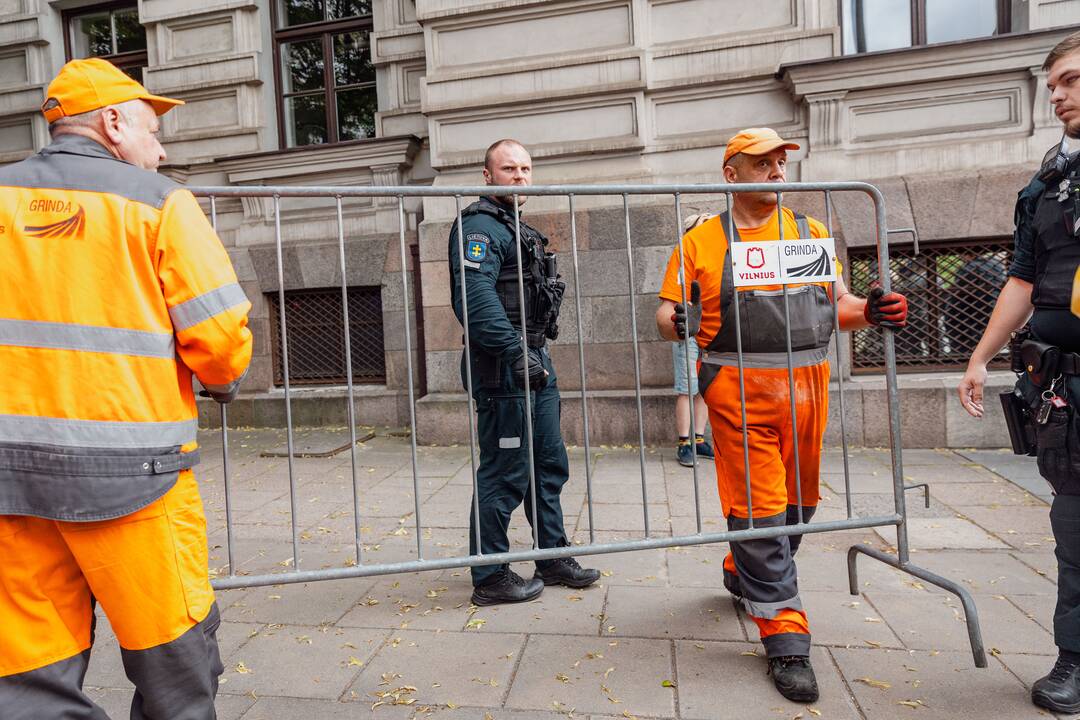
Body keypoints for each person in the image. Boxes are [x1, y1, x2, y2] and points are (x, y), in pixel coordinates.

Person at [0, 58, 252, 719]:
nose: (161, 146)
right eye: (151, 126)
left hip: (11, 482)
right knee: (179, 669)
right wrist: (222, 381)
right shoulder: (158, 204)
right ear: (112, 121)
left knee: (26, 682)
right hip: (136, 482)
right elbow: (221, 339)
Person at [654, 127, 908, 703]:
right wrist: (682, 321)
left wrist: (871, 309)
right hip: (736, 389)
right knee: (760, 511)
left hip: (806, 386)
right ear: (731, 174)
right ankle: (785, 637)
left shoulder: (809, 232)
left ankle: (741, 569)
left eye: (779, 161)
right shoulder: (700, 240)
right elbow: (665, 316)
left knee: (799, 505)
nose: (775, 170)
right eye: (760, 161)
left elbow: (836, 307)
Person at [958, 31, 1080, 715]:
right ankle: (1075, 659)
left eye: (1070, 79)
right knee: (1075, 529)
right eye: (1052, 84)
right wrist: (978, 357)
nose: (1057, 94)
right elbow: (1022, 280)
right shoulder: (1049, 182)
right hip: (1069, 387)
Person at [448, 139, 600, 606]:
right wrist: (514, 354)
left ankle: (552, 556)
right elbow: (475, 299)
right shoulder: (478, 228)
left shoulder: (515, 228)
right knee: (506, 469)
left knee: (547, 463)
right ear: (487, 175)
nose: (519, 176)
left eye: (526, 169)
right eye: (509, 168)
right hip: (503, 365)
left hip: (534, 361)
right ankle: (490, 575)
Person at [673, 213, 715, 468]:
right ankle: (684, 442)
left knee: (705, 387)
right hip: (688, 329)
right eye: (704, 226)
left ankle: (699, 440)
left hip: (711, 330)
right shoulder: (684, 259)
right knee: (686, 386)